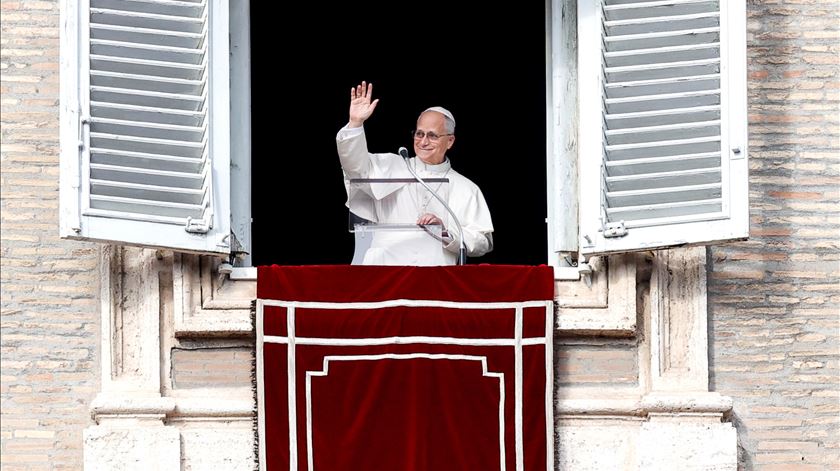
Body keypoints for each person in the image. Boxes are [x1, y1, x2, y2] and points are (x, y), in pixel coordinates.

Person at [336, 81, 494, 266]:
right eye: (419, 134)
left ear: (450, 141)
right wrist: (355, 124)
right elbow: (355, 169)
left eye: (432, 135)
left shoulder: (466, 188)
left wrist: (445, 232)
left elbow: (482, 242)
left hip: (435, 274)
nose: (423, 142)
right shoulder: (392, 166)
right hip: (385, 270)